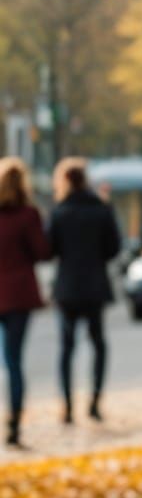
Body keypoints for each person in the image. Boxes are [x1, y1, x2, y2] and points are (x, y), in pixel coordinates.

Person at [47, 157, 122, 424]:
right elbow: (114, 248)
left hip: (67, 288)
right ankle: (95, 401)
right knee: (98, 344)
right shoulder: (101, 210)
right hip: (94, 287)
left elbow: (49, 249)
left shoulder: (59, 212)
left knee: (66, 349)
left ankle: (67, 405)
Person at [0, 158, 50, 449]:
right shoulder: (29, 215)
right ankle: (14, 423)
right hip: (18, 295)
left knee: (10, 361)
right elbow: (42, 252)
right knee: (14, 361)